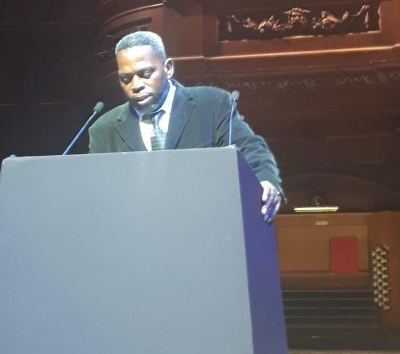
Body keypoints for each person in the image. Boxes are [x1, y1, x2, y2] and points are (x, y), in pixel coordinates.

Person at [88, 30, 284, 223]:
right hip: (138, 233)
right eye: (126, 78)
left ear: (168, 68)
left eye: (145, 73)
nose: (136, 85)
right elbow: (98, 193)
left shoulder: (211, 104)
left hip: (205, 225)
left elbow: (250, 149)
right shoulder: (104, 129)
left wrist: (266, 181)